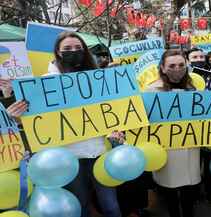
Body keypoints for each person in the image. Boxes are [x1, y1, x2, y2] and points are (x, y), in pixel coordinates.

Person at [8, 31, 122, 217]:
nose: (73, 51)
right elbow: (29, 119)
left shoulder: (98, 78)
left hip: (100, 151)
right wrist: (15, 114)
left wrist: (116, 129)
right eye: (67, 48)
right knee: (81, 205)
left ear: (85, 51)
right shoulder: (43, 82)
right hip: (68, 158)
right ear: (58, 52)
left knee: (111, 207)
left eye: (78, 48)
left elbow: (111, 112)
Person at [147, 49, 200, 217]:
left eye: (181, 65)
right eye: (171, 65)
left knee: (189, 193)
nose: (177, 69)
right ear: (162, 68)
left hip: (190, 148)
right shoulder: (151, 92)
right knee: (170, 193)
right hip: (166, 150)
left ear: (186, 66)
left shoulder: (195, 89)